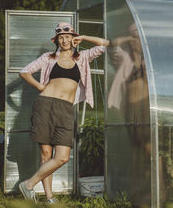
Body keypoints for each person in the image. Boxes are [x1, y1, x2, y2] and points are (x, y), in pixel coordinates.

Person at [18, 22, 109, 204]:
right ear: (57, 40)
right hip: (45, 105)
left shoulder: (82, 57)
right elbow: (24, 72)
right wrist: (39, 86)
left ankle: (28, 184)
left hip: (66, 109)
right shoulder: (48, 57)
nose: (65, 40)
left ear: (73, 38)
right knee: (46, 154)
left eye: (68, 36)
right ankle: (49, 198)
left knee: (62, 157)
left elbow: (105, 44)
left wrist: (83, 38)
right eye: (61, 37)